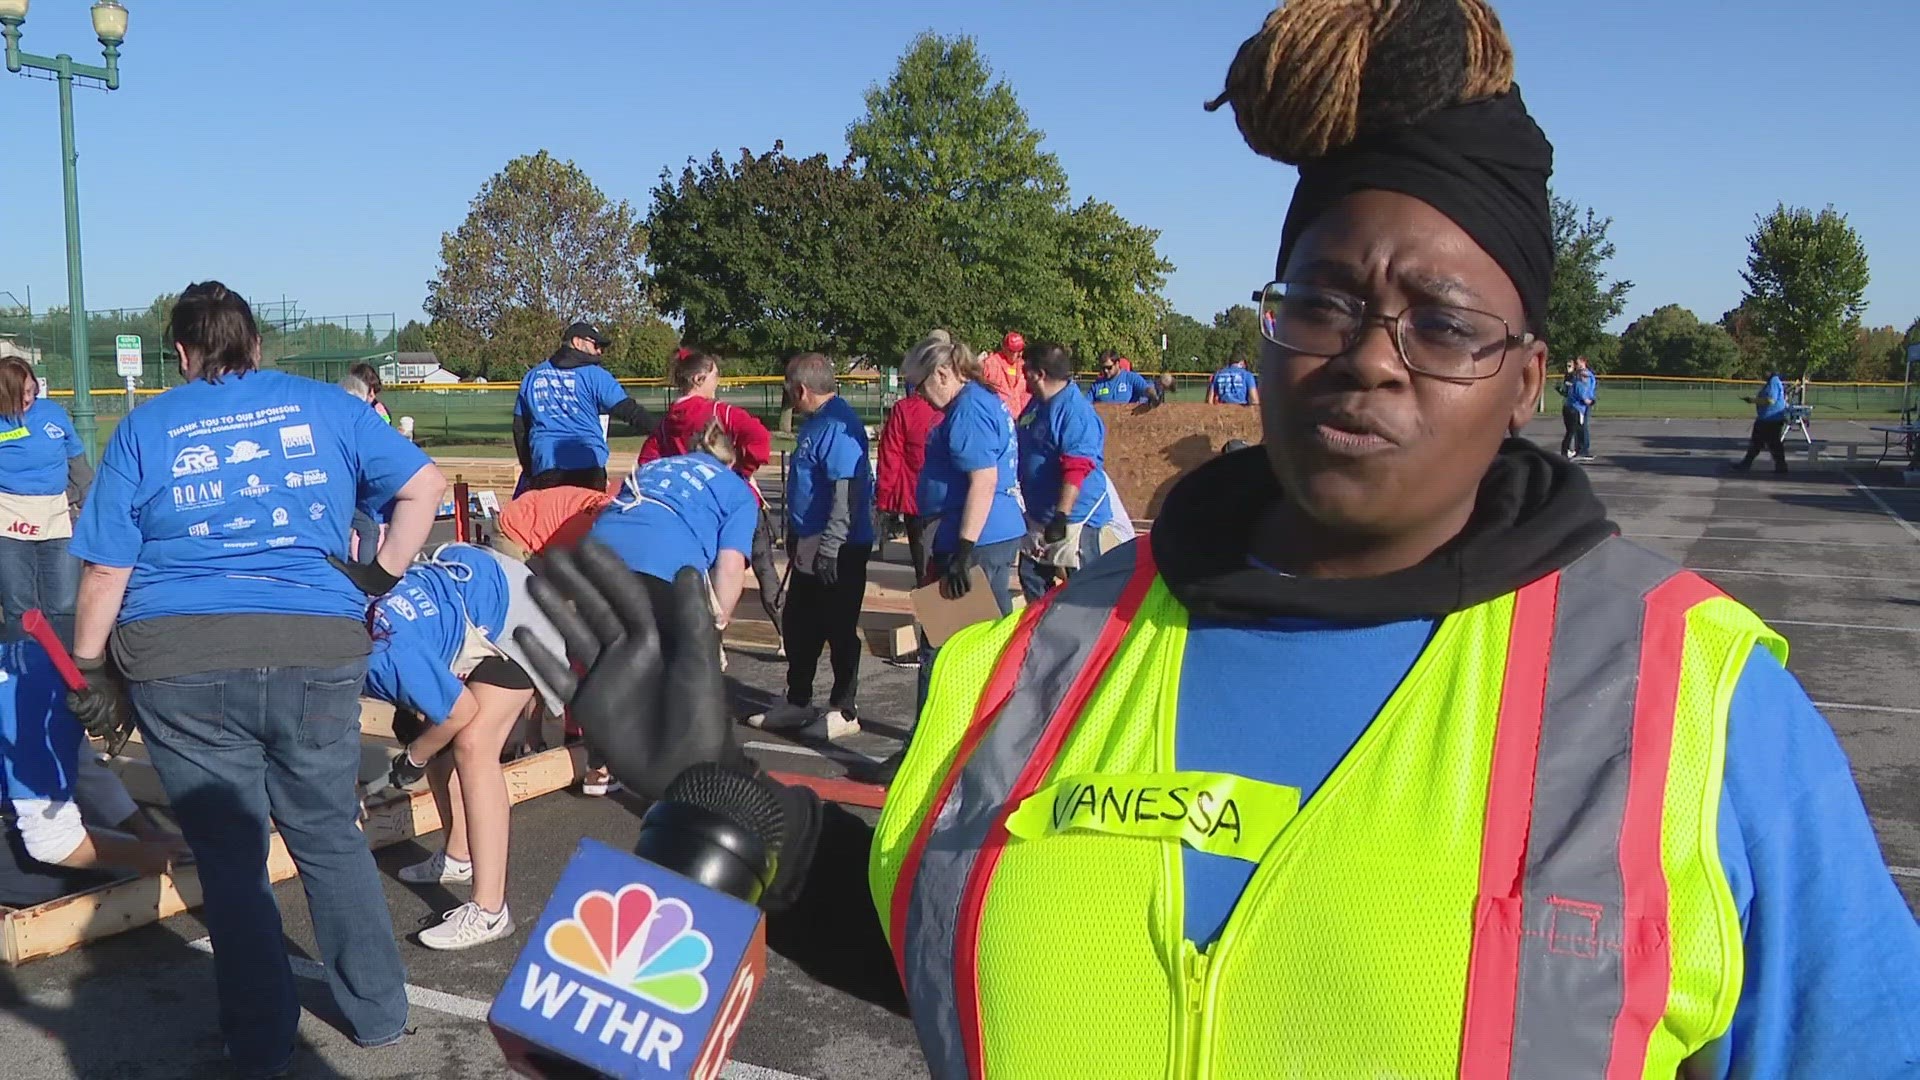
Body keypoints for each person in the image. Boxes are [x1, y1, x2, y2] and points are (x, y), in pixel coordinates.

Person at [515, 4, 1920, 1076]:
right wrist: (732, 800)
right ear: (1270, 330)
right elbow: (947, 934)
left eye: (1442, 322)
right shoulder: (1039, 661)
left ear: (1527, 376)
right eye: (1322, 301)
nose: (1371, 358)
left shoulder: (1699, 712)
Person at [66, 281, 445, 1078]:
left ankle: (260, 1039)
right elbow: (425, 487)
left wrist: (92, 665)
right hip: (313, 641)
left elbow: (106, 567)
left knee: (234, 857)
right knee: (326, 833)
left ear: (180, 351)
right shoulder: (329, 408)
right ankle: (378, 1013)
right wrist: (377, 576)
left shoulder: (146, 426)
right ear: (257, 344)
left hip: (179, 657)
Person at [361, 542, 569, 951]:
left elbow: (459, 711)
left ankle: (491, 911)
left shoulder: (384, 655)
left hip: (519, 613)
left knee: (473, 744)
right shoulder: (357, 641)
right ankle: (458, 856)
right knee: (435, 729)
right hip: (473, 595)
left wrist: (415, 756)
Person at [0, 636, 190, 908]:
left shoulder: (44, 667)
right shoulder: (43, 711)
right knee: (90, 877)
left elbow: (86, 772)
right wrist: (140, 855)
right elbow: (51, 842)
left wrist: (145, 833)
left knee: (101, 848)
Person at [748, 354, 875, 742]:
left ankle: (844, 708)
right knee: (801, 624)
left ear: (801, 389)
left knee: (838, 627)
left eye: (789, 389)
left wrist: (830, 548)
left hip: (838, 545)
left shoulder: (838, 426)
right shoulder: (815, 425)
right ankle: (798, 700)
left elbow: (844, 496)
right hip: (811, 541)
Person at [635, 350, 782, 643]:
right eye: (715, 376)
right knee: (764, 572)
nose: (718, 382)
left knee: (707, 579)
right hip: (735, 505)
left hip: (694, 513)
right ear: (699, 378)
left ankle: (708, 644)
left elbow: (647, 464)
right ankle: (788, 638)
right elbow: (760, 439)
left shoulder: (666, 424)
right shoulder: (721, 412)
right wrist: (742, 468)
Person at [0, 356, 91, 646]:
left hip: (57, 518)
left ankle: (63, 673)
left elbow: (77, 461)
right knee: (19, 606)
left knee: (64, 605)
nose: (28, 398)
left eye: (31, 390)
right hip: (9, 520)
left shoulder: (53, 414)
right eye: (21, 393)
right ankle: (24, 671)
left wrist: (89, 501)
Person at [1016, 343, 1117, 599]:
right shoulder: (1036, 405)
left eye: (1025, 369)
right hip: (1040, 518)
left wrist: (1061, 515)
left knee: (1085, 593)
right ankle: (1044, 635)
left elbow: (1077, 467)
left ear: (1039, 374)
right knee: (1032, 577)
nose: (1021, 374)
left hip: (1075, 520)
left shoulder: (1074, 411)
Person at [512, 321, 655, 492]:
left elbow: (520, 428)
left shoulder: (533, 376)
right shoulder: (596, 375)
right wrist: (665, 431)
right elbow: (630, 411)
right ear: (577, 342)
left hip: (546, 464)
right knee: (587, 518)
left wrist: (529, 469)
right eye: (596, 345)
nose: (599, 351)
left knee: (552, 518)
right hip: (587, 464)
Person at [876, 347, 943, 584]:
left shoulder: (906, 410)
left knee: (925, 570)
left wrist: (885, 501)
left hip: (919, 501)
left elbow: (890, 455)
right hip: (951, 502)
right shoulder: (964, 406)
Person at [1733, 370, 1790, 475]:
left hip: (1771, 419)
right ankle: (1746, 464)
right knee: (1758, 443)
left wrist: (1753, 400)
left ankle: (1781, 467)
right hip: (1766, 418)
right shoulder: (1772, 382)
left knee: (1773, 444)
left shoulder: (1773, 381)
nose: (1763, 374)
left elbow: (1770, 400)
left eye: (1766, 371)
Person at [979, 331, 1032, 419]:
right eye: (1013, 351)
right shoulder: (991, 363)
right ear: (1004, 348)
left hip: (1021, 418)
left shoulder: (1023, 366)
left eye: (1020, 350)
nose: (1019, 354)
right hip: (999, 417)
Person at [1558, 355, 1597, 462]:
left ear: (1584, 362)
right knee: (1575, 429)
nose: (1576, 365)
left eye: (1578, 363)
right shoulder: (1577, 375)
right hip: (1576, 404)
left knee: (1580, 427)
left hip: (1580, 405)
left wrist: (1587, 400)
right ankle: (1577, 449)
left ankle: (1582, 449)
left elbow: (1582, 389)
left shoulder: (1585, 375)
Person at [1089, 351, 1163, 406]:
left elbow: (1146, 389)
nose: (1105, 370)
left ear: (1117, 364)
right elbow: (1086, 403)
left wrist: (1153, 395)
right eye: (1103, 368)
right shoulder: (1097, 385)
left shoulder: (1131, 378)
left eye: (1109, 367)